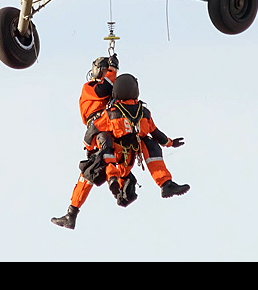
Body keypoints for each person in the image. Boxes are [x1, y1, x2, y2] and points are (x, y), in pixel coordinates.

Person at [95, 73, 189, 207]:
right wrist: (170, 143)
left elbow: (94, 130)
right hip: (132, 152)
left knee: (106, 141)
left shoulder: (110, 113)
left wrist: (89, 148)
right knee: (151, 144)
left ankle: (115, 181)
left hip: (118, 154)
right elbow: (156, 133)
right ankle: (164, 182)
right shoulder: (144, 112)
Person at [51, 54, 119, 230]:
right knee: (105, 153)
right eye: (104, 70)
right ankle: (113, 182)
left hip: (108, 126)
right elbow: (104, 88)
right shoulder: (89, 87)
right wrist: (113, 70)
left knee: (91, 171)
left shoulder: (109, 94)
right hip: (98, 127)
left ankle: (71, 213)